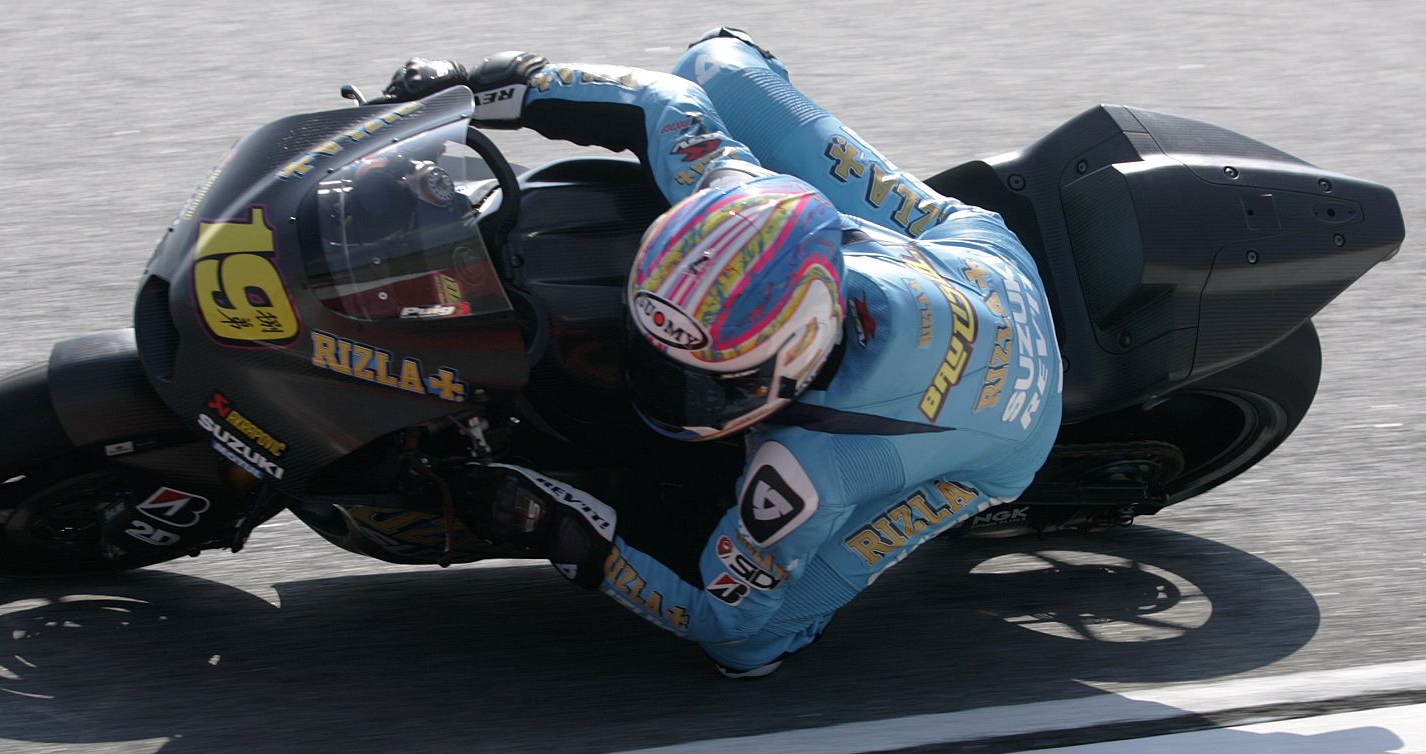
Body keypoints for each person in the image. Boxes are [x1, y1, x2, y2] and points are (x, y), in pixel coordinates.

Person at [382, 29, 1063, 677]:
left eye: (707, 386)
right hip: (971, 253)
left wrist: (562, 528)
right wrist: (489, 89)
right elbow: (663, 102)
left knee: (753, 645)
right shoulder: (727, 191)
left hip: (1008, 425)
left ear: (792, 360)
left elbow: (723, 618)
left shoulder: (809, 473)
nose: (659, 386)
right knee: (714, 63)